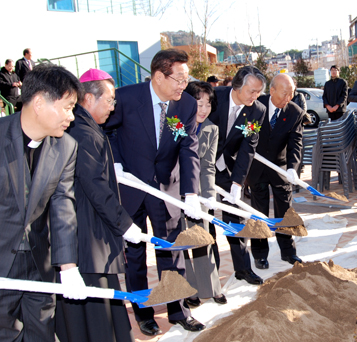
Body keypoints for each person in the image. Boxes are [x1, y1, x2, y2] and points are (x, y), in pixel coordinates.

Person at [104, 49, 205, 335]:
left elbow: (188, 148)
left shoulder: (185, 105)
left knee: (171, 250)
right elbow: (106, 130)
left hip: (165, 187)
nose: (183, 85)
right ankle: (143, 311)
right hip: (131, 186)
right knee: (134, 254)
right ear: (159, 76)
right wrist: (116, 162)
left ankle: (178, 310)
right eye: (179, 79)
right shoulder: (126, 98)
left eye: (186, 79)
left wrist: (191, 193)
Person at [57, 69, 150, 342]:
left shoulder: (87, 127)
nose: (113, 107)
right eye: (109, 100)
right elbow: (95, 187)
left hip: (91, 232)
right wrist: (125, 225)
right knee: (97, 316)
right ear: (88, 98)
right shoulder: (83, 132)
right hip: (88, 237)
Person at [0, 63, 87, 341]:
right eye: (67, 107)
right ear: (38, 102)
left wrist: (68, 266)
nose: (71, 117)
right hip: (1, 262)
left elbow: (63, 207)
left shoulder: (65, 147)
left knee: (41, 334)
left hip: (39, 263)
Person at [209, 65, 267, 285]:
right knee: (204, 220)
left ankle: (243, 268)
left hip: (225, 167)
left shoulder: (257, 110)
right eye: (252, 91)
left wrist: (237, 182)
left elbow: (248, 147)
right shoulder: (213, 97)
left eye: (259, 91)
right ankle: (209, 275)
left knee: (236, 214)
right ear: (236, 86)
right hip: (200, 164)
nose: (256, 96)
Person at [248, 74, 305, 269]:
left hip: (280, 167)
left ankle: (288, 252)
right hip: (256, 167)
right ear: (271, 91)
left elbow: (296, 143)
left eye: (292, 93)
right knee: (258, 211)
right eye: (284, 93)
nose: (288, 98)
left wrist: (292, 168)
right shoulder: (256, 105)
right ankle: (259, 253)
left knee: (285, 210)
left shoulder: (295, 112)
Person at [181, 81, 227, 307]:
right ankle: (189, 290)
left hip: (200, 192)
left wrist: (209, 197)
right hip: (175, 191)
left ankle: (212, 287)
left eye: (208, 104)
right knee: (181, 242)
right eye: (199, 103)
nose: (203, 109)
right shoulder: (176, 124)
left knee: (203, 239)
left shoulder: (211, 129)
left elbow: (208, 165)